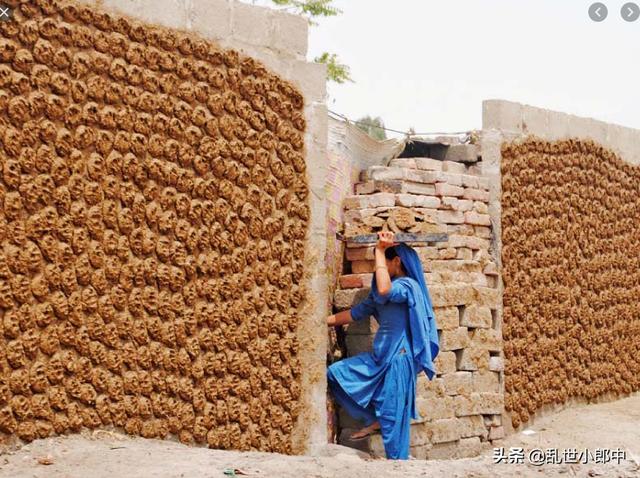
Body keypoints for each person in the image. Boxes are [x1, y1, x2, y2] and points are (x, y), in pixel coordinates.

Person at [326, 231, 439, 460]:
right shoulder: (379, 294)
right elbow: (355, 314)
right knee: (336, 374)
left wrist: (379, 249)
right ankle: (375, 420)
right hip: (379, 359)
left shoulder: (407, 287)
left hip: (399, 359)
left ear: (396, 261)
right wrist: (322, 321)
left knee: (394, 418)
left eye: (383, 262)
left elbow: (387, 289)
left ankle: (397, 465)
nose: (379, 267)